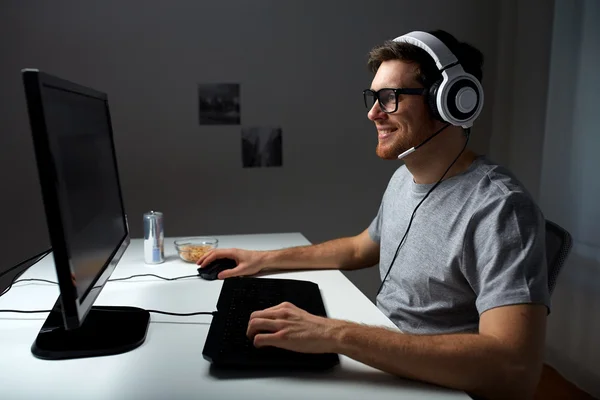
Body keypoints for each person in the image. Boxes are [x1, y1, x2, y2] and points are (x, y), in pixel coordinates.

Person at [197, 29, 549, 400]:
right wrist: (262, 261)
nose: (373, 113)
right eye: (374, 97)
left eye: (390, 97)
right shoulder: (404, 177)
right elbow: (359, 248)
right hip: (383, 363)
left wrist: (335, 334)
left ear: (450, 102)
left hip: (435, 387)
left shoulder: (500, 208)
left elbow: (516, 368)